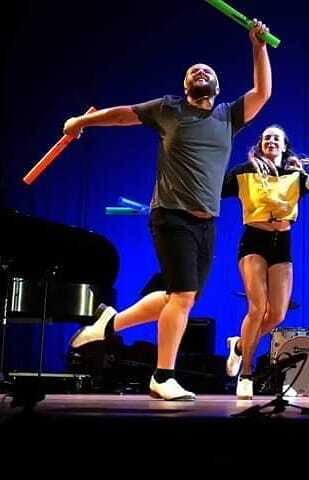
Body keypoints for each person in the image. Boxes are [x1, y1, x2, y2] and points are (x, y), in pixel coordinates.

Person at [65, 22, 273, 401]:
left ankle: (108, 323)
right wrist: (82, 121)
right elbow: (122, 114)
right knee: (182, 296)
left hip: (207, 223)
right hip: (171, 214)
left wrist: (258, 46)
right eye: (194, 71)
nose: (200, 72)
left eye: (207, 71)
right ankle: (162, 377)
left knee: (179, 297)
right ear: (185, 86)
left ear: (217, 88)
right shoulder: (168, 109)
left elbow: (262, 92)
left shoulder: (227, 117)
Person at [221, 124, 309, 399]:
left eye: (276, 138)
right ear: (260, 144)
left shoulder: (294, 175)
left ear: (284, 145)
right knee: (257, 308)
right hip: (254, 240)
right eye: (267, 138)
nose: (271, 141)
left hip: (282, 243)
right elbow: (213, 189)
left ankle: (239, 346)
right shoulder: (245, 171)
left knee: (277, 314)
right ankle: (246, 373)